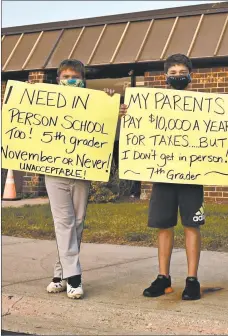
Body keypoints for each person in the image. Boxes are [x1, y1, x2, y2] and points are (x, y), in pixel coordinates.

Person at [143, 54, 228, 300]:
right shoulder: (153, 103)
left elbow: (219, 127)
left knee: (191, 225)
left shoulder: (204, 104)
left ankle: (192, 279)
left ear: (191, 75)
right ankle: (163, 278)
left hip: (191, 174)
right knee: (163, 226)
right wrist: (126, 112)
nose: (177, 76)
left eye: (181, 71)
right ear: (166, 77)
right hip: (163, 173)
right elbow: (140, 126)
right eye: (173, 72)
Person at [44, 59, 127, 299]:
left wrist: (117, 112)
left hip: (82, 170)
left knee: (77, 222)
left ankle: (59, 275)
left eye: (75, 76)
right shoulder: (47, 103)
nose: (70, 80)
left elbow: (104, 130)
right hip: (55, 171)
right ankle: (74, 278)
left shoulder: (95, 103)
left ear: (83, 80)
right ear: (58, 79)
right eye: (65, 76)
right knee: (64, 222)